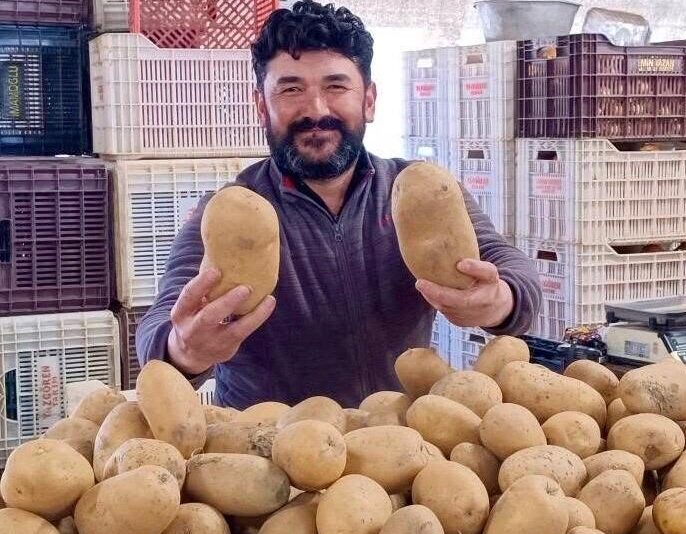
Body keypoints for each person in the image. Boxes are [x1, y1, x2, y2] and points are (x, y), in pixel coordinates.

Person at [136, 0, 541, 409]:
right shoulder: (230, 211)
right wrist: (185, 348)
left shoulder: (418, 191)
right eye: (291, 89)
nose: (316, 110)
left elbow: (513, 271)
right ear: (262, 106)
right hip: (265, 450)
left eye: (336, 86)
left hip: (399, 443)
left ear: (368, 100)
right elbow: (159, 329)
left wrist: (498, 300)